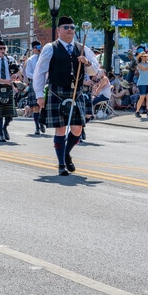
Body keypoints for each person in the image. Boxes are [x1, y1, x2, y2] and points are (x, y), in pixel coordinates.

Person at [33, 16, 100, 176]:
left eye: (72, 27)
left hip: (76, 92)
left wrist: (87, 63)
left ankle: (66, 153)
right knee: (61, 129)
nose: (69, 30)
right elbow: (39, 72)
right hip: (57, 91)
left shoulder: (82, 48)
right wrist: (39, 94)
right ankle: (61, 164)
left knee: (77, 129)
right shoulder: (51, 48)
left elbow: (95, 72)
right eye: (66, 27)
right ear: (58, 30)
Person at [25, 40, 46, 135]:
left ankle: (41, 121)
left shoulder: (45, 58)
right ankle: (37, 126)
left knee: (43, 105)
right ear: (33, 49)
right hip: (35, 82)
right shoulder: (30, 60)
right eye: (36, 48)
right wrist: (37, 76)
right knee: (35, 107)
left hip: (45, 83)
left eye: (40, 47)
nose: (39, 49)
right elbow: (28, 73)